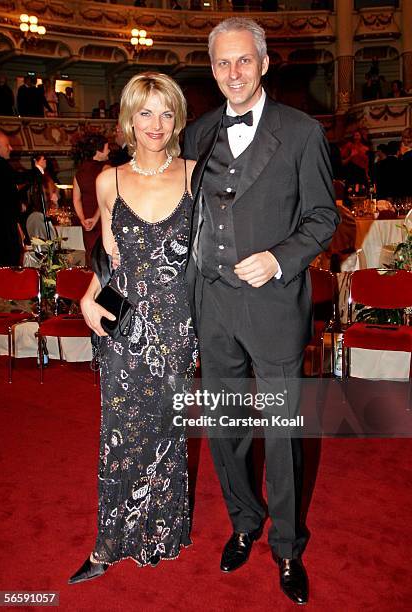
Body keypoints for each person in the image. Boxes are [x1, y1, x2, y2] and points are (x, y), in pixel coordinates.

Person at [183, 17, 338, 605]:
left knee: (281, 433)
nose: (233, 73)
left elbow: (323, 218)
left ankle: (289, 546)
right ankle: (245, 523)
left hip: (273, 306)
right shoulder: (196, 135)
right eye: (222, 63)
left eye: (244, 61)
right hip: (213, 304)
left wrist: (278, 258)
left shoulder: (301, 133)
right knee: (225, 429)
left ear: (265, 63)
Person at [68, 72, 197, 584]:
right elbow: (110, 258)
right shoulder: (108, 180)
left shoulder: (194, 175)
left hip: (175, 324)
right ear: (128, 119)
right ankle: (107, 543)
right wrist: (87, 294)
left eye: (166, 112)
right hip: (123, 324)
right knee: (120, 435)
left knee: (167, 432)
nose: (156, 124)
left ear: (177, 118)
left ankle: (164, 530)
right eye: (145, 112)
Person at [0, 131, 45, 266]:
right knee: (8, 259)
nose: (11, 148)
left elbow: (7, 188)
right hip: (2, 225)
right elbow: (17, 178)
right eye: (7, 145)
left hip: (5, 221)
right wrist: (38, 169)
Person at [72, 134, 110, 266]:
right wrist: (95, 218)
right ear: (98, 151)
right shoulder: (106, 168)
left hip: (87, 223)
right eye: (107, 148)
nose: (109, 151)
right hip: (102, 220)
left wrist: (83, 219)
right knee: (106, 258)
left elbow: (76, 199)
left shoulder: (80, 171)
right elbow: (106, 198)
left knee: (92, 257)